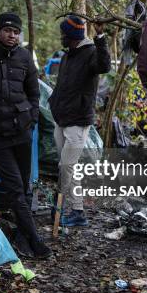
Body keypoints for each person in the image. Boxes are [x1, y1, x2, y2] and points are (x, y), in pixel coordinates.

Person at [0, 12, 51, 259]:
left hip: (21, 131)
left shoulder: (25, 57)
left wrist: (32, 119)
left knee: (24, 187)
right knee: (15, 187)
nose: (11, 35)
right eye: (7, 31)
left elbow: (34, 94)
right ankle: (36, 241)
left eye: (15, 32)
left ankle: (23, 236)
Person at [49, 15, 111, 226]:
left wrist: (101, 36)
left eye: (64, 34)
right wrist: (53, 103)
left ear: (72, 36)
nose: (61, 37)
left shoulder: (91, 53)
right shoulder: (68, 56)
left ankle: (61, 205)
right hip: (61, 118)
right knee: (67, 167)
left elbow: (104, 66)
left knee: (67, 165)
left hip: (78, 120)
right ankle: (76, 211)